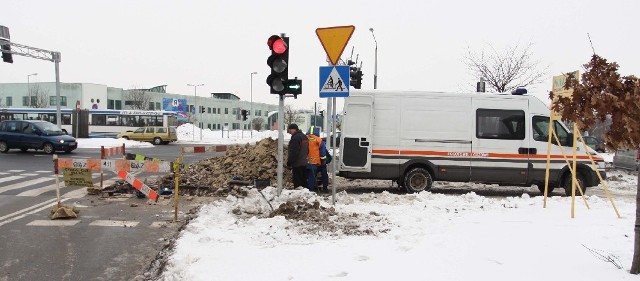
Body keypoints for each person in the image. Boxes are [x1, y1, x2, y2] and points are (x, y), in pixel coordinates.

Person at [286, 124, 309, 189]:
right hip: (304, 162)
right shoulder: (304, 136)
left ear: (293, 129)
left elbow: (294, 152)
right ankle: (305, 193)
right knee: (304, 180)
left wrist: (289, 162)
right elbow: (307, 149)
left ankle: (299, 193)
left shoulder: (295, 138)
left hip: (297, 163)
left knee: (298, 182)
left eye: (290, 130)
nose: (290, 132)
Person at [305, 126, 323, 192]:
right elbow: (322, 152)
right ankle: (310, 190)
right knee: (312, 177)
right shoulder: (318, 140)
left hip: (305, 162)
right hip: (314, 163)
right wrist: (323, 161)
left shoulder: (304, 138)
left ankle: (304, 189)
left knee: (305, 177)